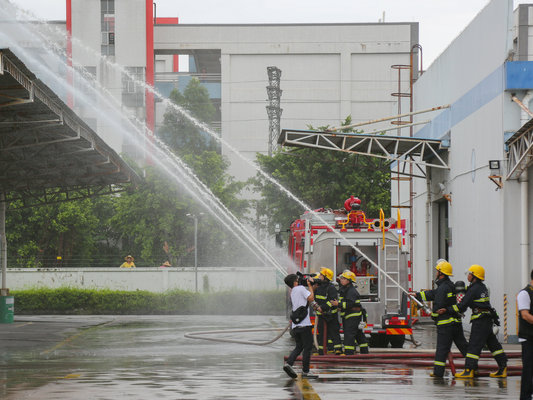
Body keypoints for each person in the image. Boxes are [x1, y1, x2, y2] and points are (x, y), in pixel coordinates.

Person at [410, 260, 468, 377]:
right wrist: (417, 295)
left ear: (441, 273)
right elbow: (432, 294)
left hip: (445, 325)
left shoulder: (442, 288)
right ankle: (472, 367)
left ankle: (438, 373)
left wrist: (433, 314)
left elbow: (438, 306)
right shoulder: (449, 285)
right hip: (456, 323)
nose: (436, 272)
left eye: (437, 271)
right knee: (464, 347)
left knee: (442, 349)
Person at [454, 264, 507, 379]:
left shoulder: (473, 289)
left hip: (480, 321)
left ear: (474, 276)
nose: (468, 275)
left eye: (469, 274)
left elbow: (463, 305)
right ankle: (503, 368)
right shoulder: (482, 287)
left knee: (473, 345)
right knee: (493, 345)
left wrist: (451, 309)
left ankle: (469, 370)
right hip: (487, 320)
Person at [283, 273, 319, 379]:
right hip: (304, 324)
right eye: (297, 279)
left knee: (299, 346)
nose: (299, 281)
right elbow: (311, 298)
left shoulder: (293, 291)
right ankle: (306, 372)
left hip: (296, 325)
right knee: (307, 348)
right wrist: (311, 287)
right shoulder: (301, 288)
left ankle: (289, 364)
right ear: (295, 282)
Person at [338, 269, 369, 355]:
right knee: (358, 334)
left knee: (349, 334)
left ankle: (349, 353)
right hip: (352, 316)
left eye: (343, 278)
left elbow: (350, 304)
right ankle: (364, 352)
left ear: (349, 281)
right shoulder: (346, 289)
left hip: (352, 316)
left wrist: (339, 304)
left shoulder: (351, 291)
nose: (341, 280)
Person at [314, 267, 343, 355]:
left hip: (331, 315)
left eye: (321, 275)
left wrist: (322, 308)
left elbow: (332, 301)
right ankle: (321, 351)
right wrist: (315, 306)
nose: (319, 276)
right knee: (321, 333)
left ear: (326, 277)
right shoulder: (318, 287)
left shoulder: (331, 288)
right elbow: (315, 299)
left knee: (334, 332)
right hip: (321, 315)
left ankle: (338, 349)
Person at [518, 269, 533, 399]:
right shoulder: (524, 293)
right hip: (528, 338)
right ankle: (525, 397)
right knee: (528, 369)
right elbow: (525, 315)